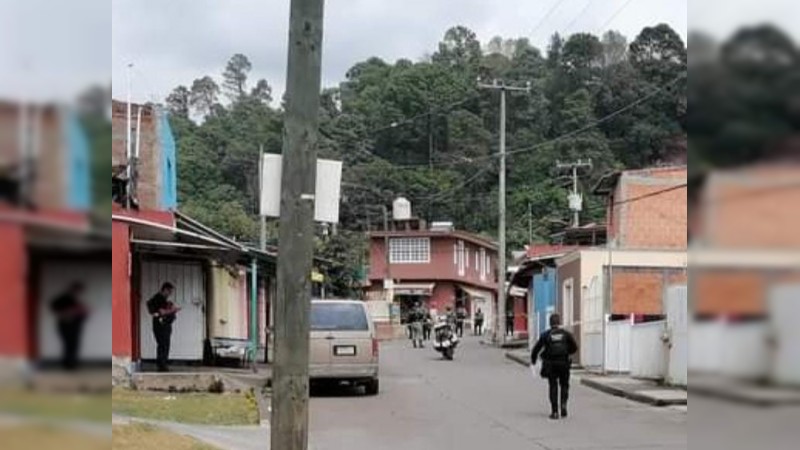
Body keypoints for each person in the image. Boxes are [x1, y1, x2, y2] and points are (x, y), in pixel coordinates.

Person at [530, 313, 578, 420]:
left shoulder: (546, 335)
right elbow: (574, 347)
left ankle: (555, 411)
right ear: (559, 323)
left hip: (551, 364)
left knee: (553, 386)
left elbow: (536, 349)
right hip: (564, 363)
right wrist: (566, 352)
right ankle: (564, 405)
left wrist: (533, 361)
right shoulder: (566, 334)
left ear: (550, 323)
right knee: (564, 385)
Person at [50, 282, 89, 370]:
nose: (79, 292)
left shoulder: (75, 300)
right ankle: (69, 365)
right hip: (66, 325)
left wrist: (84, 312)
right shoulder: (65, 298)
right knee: (69, 345)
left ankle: (71, 364)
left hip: (74, 326)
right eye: (78, 290)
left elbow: (80, 313)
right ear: (73, 289)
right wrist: (66, 313)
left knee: (73, 345)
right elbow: (54, 307)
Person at [147, 282, 180, 372]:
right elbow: (162, 312)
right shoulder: (159, 299)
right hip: (161, 325)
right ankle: (162, 366)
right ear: (165, 290)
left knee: (163, 345)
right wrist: (173, 310)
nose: (170, 294)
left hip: (163, 325)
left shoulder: (162, 299)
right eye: (169, 292)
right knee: (163, 345)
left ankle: (162, 364)